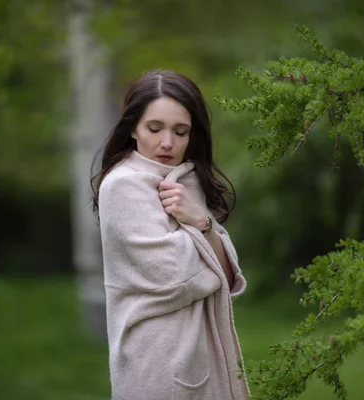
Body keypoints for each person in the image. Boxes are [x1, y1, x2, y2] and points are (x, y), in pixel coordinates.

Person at [91, 70, 250, 399]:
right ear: (133, 127)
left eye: (181, 132)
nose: (167, 143)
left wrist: (201, 220)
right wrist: (211, 248)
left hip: (203, 352)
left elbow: (228, 272)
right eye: (155, 128)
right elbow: (176, 276)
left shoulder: (186, 179)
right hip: (157, 362)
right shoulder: (123, 186)